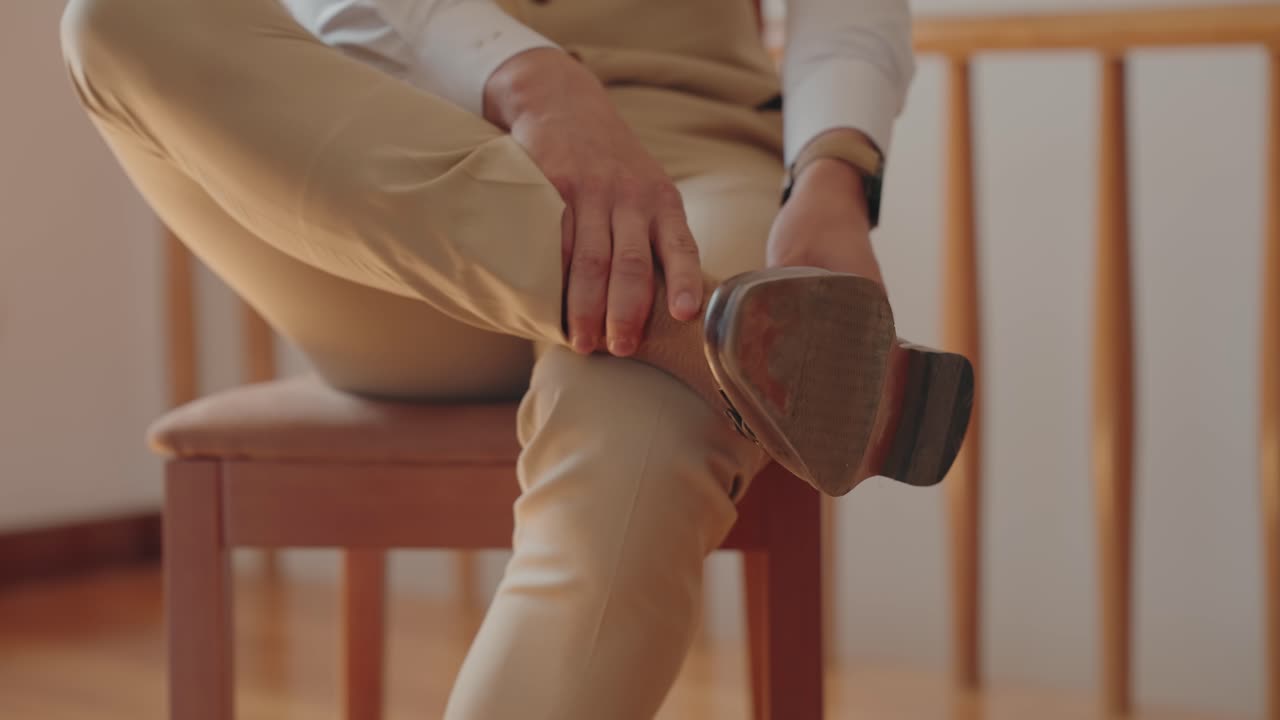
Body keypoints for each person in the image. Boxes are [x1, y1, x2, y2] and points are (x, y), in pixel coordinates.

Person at [59, 0, 970, 716]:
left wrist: (833, 174)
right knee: (117, 15)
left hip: (692, 164)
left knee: (628, 474)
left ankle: (692, 331)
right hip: (398, 185)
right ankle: (702, 337)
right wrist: (535, 81)